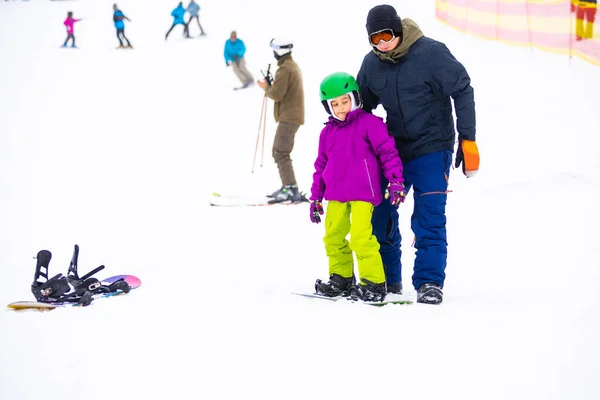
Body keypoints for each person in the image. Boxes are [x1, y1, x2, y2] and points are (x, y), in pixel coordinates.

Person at [357, 5, 479, 305]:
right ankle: (389, 279)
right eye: (375, 39)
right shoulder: (372, 64)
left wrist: (468, 139)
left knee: (429, 217)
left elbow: (462, 89)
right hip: (393, 152)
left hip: (432, 147)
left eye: (386, 35)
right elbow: (362, 109)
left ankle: (429, 282)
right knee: (380, 214)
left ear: (397, 30)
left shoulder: (431, 54)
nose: (382, 44)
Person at [310, 72, 406, 302]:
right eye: (335, 104)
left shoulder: (370, 124)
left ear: (355, 98)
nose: (341, 107)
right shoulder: (327, 133)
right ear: (328, 107)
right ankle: (341, 278)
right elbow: (321, 165)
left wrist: (395, 181)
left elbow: (388, 152)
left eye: (345, 101)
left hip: (364, 194)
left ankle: (373, 282)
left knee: (361, 238)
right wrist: (315, 198)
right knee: (333, 237)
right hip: (336, 196)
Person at [257, 38, 305, 203]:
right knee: (280, 151)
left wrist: (266, 88)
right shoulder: (290, 66)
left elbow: (277, 94)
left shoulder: (285, 69)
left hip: (289, 117)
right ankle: (289, 186)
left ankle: (290, 188)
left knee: (280, 151)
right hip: (291, 116)